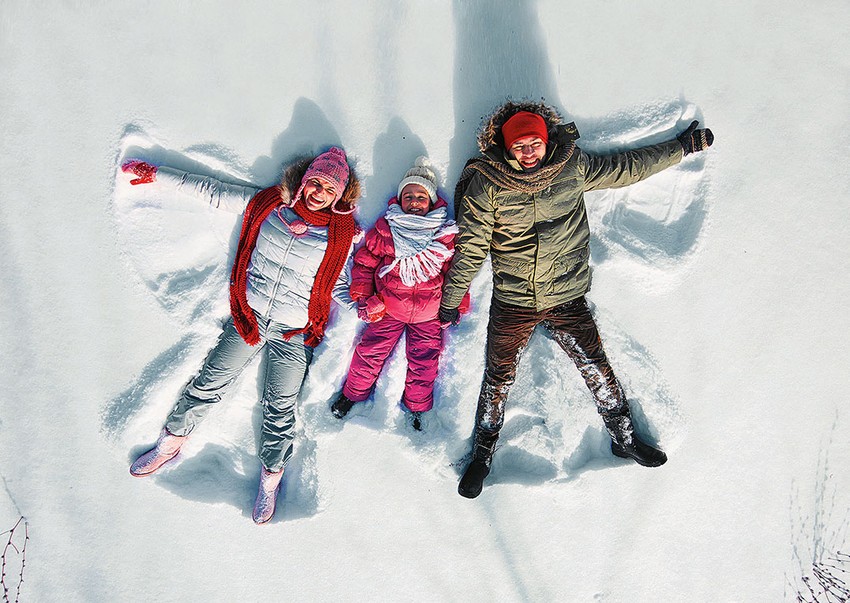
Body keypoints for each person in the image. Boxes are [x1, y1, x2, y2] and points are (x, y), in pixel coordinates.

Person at [440, 101, 714, 498]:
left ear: (547, 141)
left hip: (567, 295)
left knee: (596, 366)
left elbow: (626, 168)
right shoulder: (488, 184)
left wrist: (683, 147)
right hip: (514, 300)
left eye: (535, 142)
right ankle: (482, 456)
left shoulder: (570, 166)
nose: (529, 151)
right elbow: (472, 247)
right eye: (520, 146)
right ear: (506, 147)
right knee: (498, 377)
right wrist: (452, 298)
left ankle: (624, 437)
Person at [123, 147, 361, 523]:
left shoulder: (341, 236)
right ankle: (170, 443)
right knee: (209, 382)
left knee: (279, 408)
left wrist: (366, 307)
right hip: (248, 318)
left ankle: (270, 478)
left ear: (339, 195)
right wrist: (158, 175)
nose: (318, 192)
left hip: (292, 332)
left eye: (328, 189)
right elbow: (213, 191)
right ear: (303, 180)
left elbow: (342, 285)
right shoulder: (268, 204)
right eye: (315, 182)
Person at [330, 157, 468, 431]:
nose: (414, 201)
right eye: (408, 196)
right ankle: (352, 394)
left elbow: (456, 272)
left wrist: (457, 305)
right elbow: (366, 261)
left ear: (431, 200)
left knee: (424, 361)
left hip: (429, 314)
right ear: (400, 200)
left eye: (420, 196)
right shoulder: (386, 228)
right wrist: (362, 295)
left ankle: (417, 406)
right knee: (369, 353)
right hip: (388, 308)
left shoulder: (443, 233)